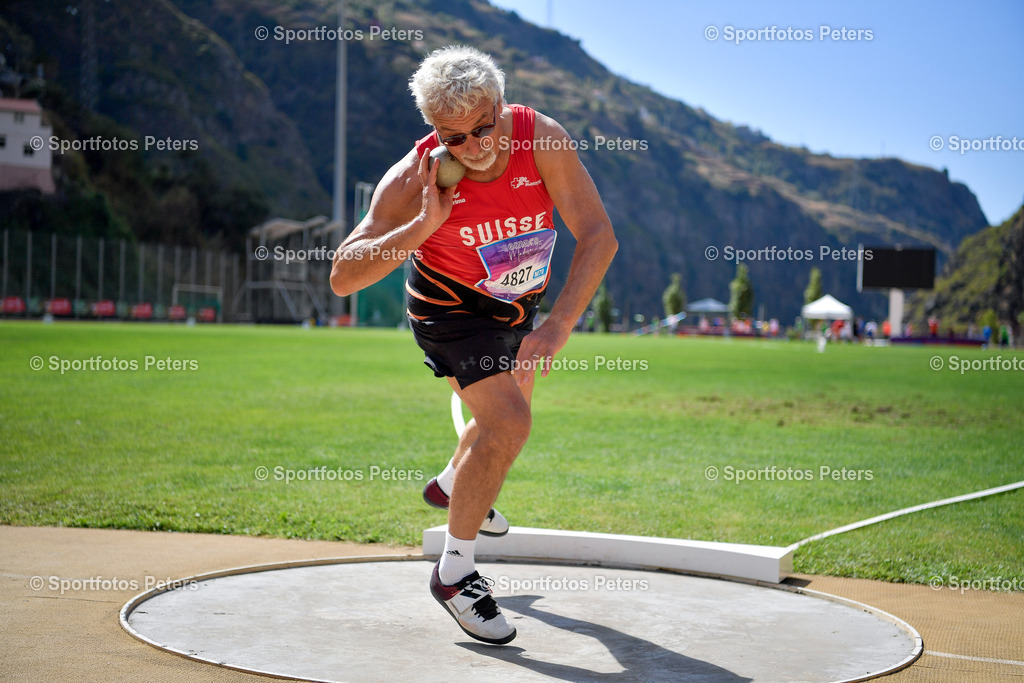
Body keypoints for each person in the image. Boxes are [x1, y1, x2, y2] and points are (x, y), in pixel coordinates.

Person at [329, 45, 617, 645]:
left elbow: (597, 235)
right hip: (449, 309)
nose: (473, 146)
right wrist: (421, 226)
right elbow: (344, 276)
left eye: (483, 128)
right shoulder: (417, 175)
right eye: (453, 137)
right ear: (434, 129)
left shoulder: (542, 140)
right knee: (509, 423)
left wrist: (559, 323)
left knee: (499, 425)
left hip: (518, 307)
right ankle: (456, 574)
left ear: (501, 105)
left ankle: (454, 486)